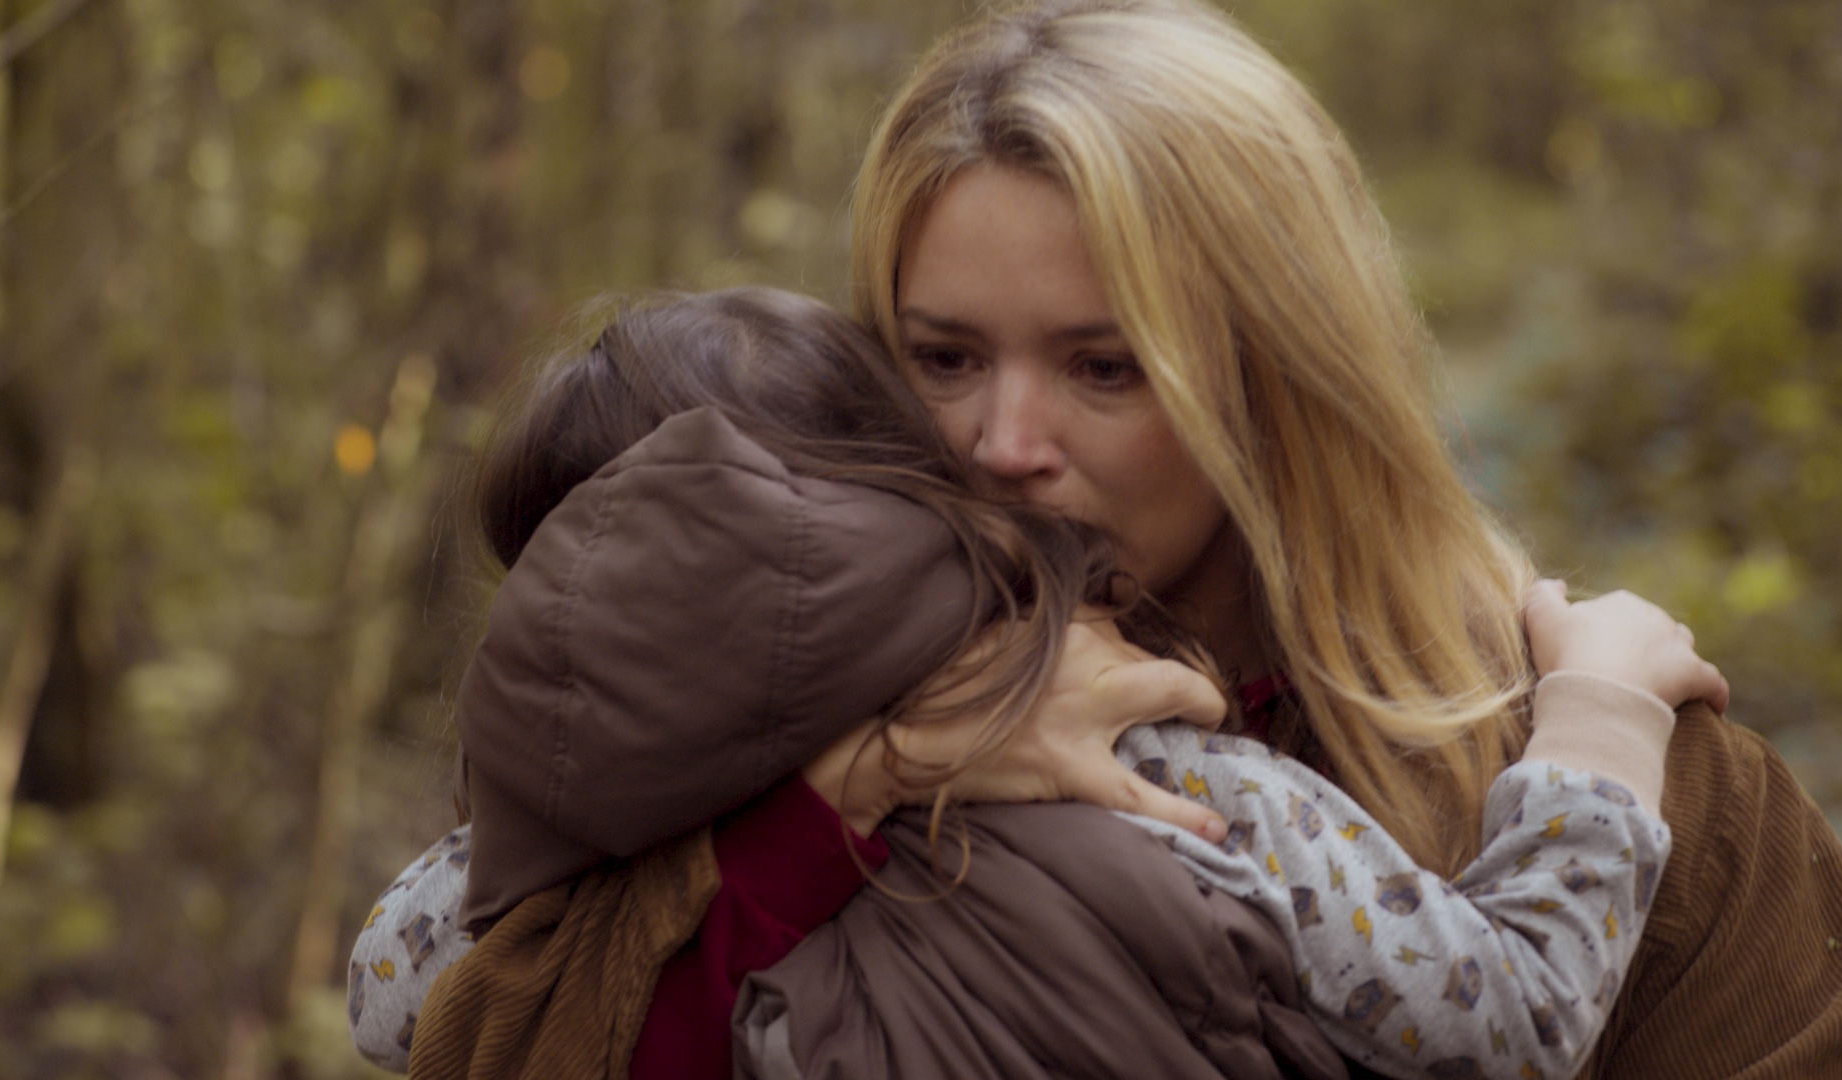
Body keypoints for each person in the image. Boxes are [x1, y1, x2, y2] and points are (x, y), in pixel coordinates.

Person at [367, 0, 1842, 1076]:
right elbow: (441, 1010)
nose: (1002, 442)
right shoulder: (731, 730)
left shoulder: (1643, 786)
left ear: (1282, 379)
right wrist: (853, 791)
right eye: (942, 357)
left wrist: (1594, 723)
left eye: (1105, 368)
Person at [360, 287, 1682, 1080]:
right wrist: (1602, 716)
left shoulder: (552, 864)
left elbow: (387, 1000)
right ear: (915, 501)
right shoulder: (1149, 758)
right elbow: (1507, 1022)